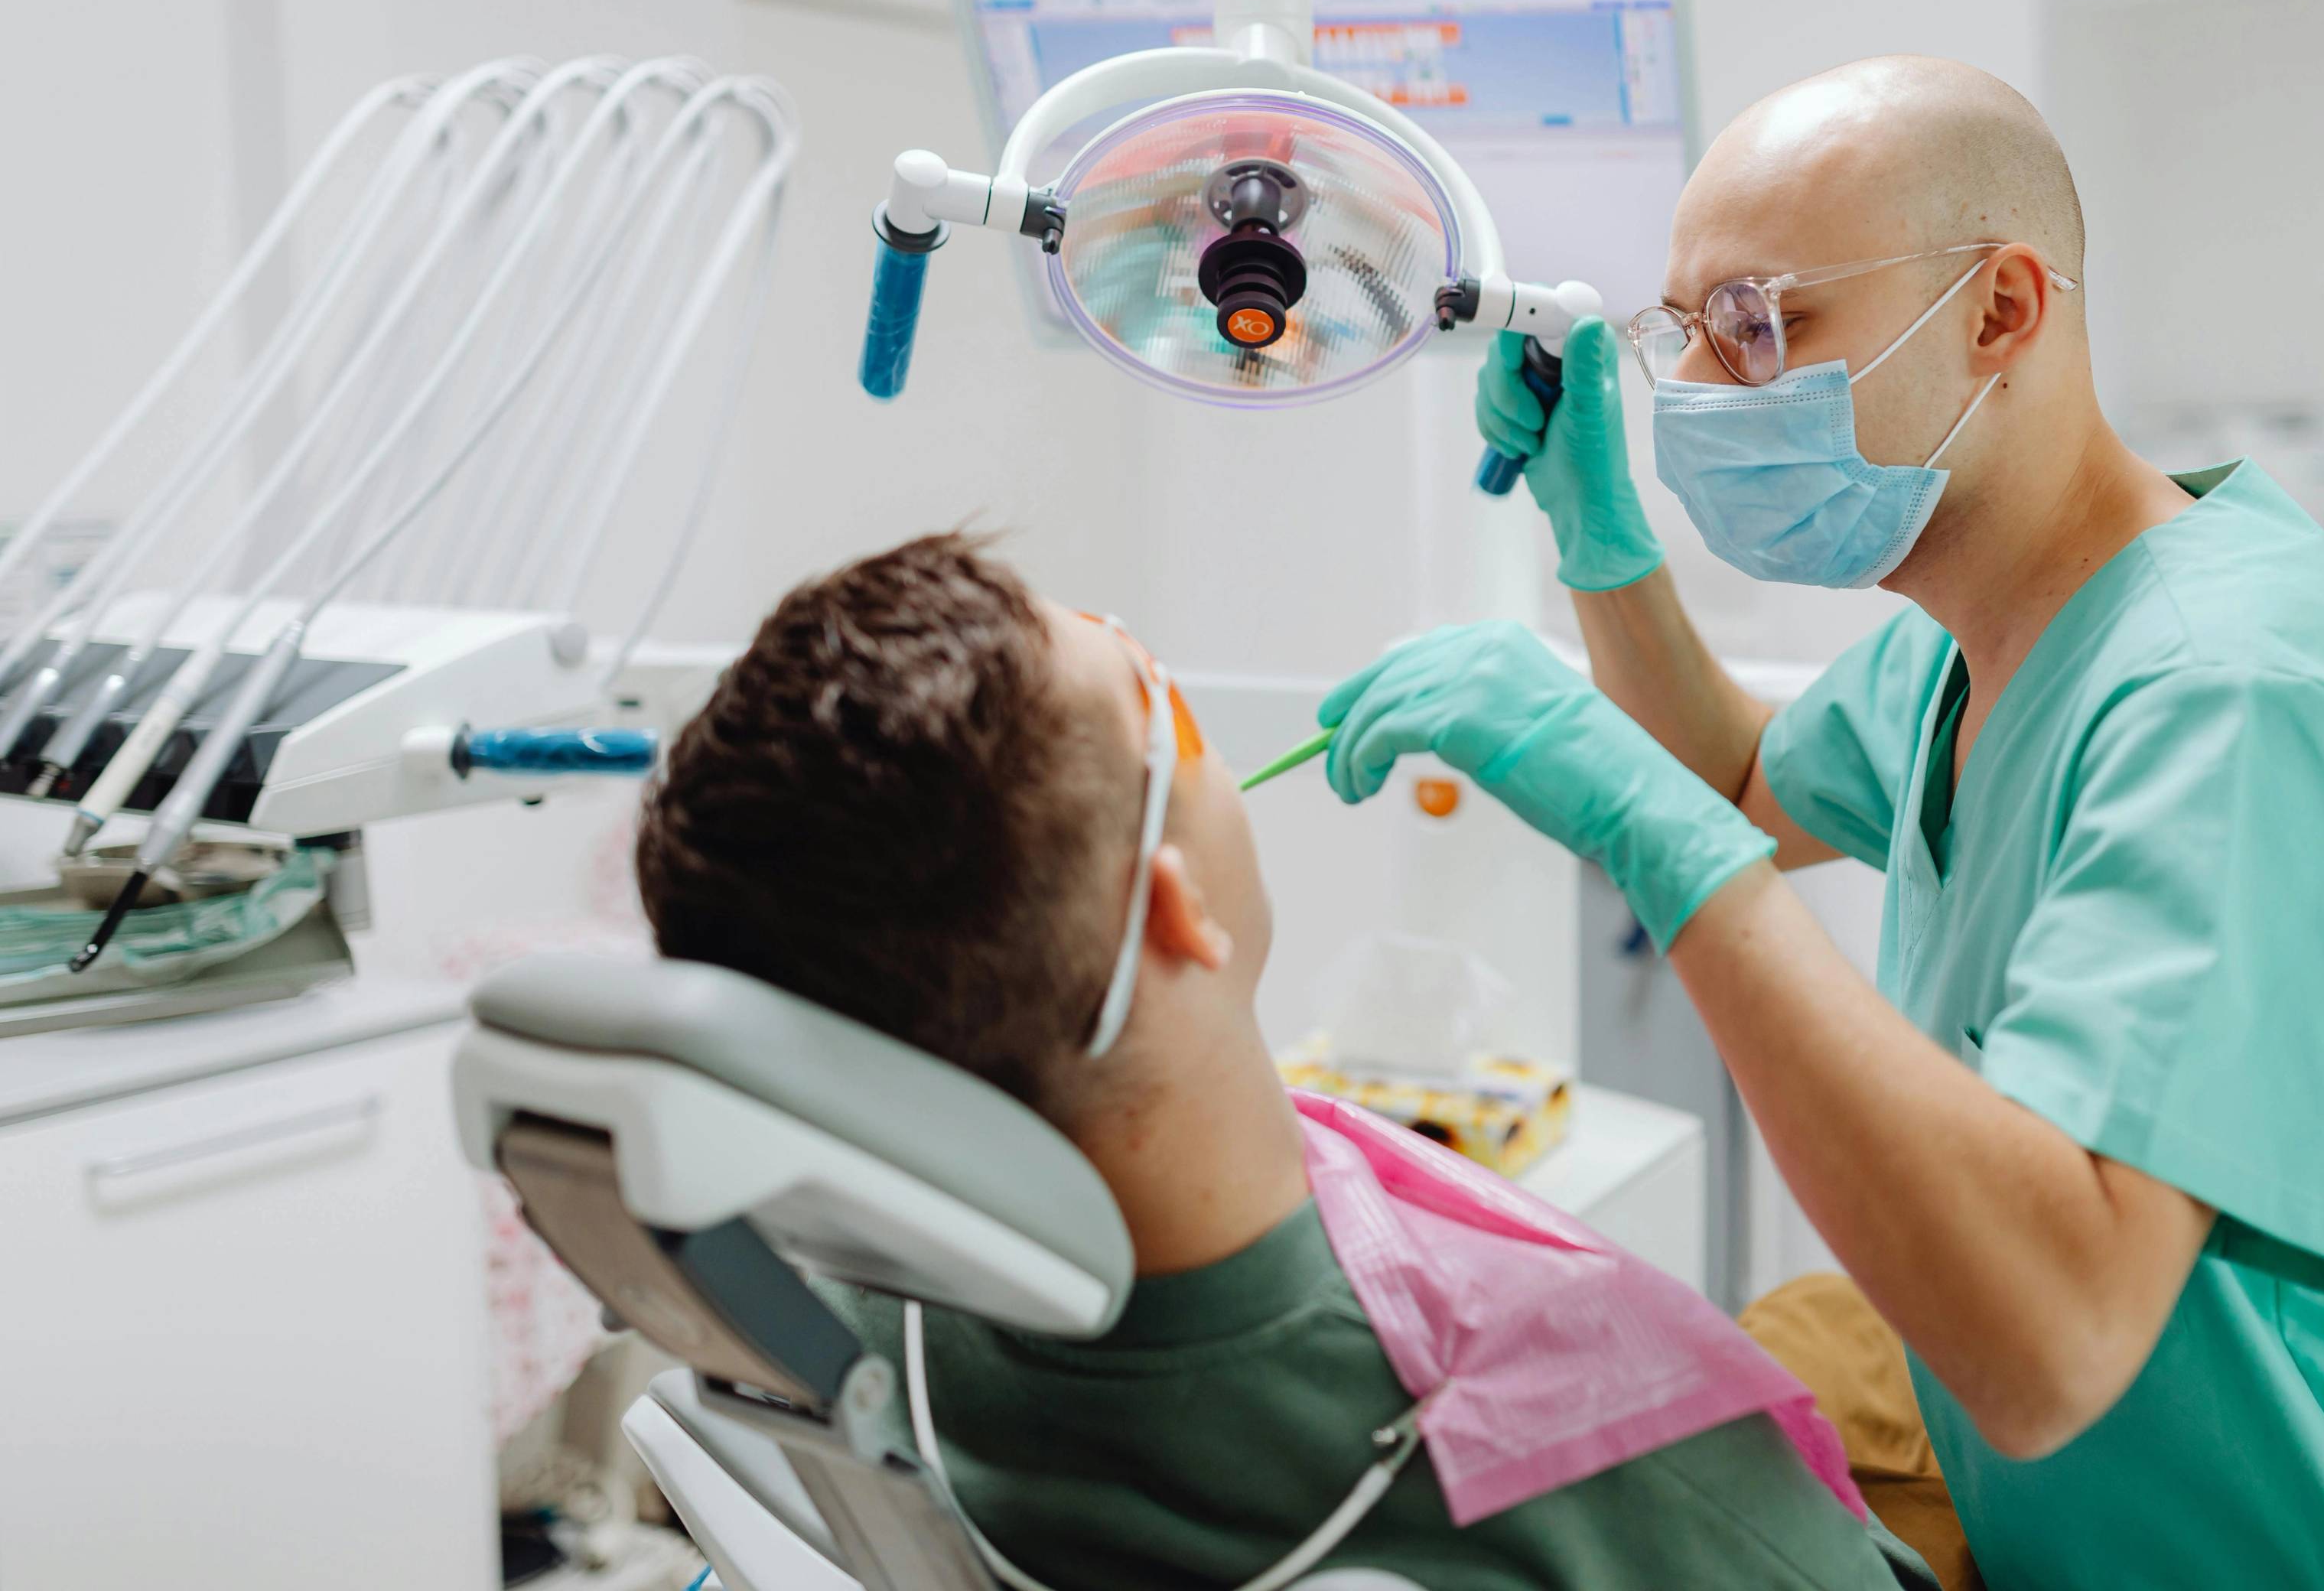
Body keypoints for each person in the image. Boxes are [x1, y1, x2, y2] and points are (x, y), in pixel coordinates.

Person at [1315, 57, 2324, 1586]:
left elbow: (2052, 1334)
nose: (1699, 390)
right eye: (1682, 331)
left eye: (1760, 324)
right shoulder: (1984, 632)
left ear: (2001, 309)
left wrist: (1653, 842)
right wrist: (1598, 536)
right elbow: (1746, 776)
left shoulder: (2232, 703)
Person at [631, 533, 1936, 1591]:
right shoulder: (1602, 1455)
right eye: (1162, 702)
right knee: (1867, 1334)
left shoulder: (825, 1338)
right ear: (1174, 908)